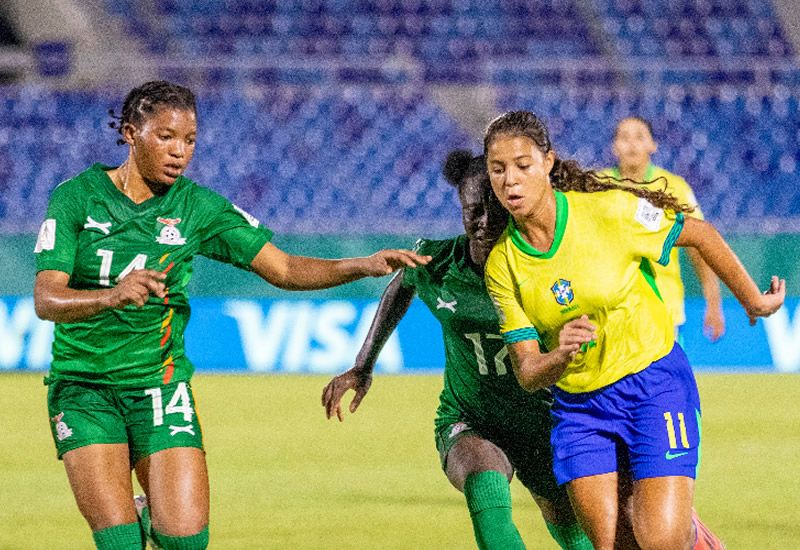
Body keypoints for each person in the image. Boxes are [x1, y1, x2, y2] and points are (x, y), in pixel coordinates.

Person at [33, 80, 430, 550]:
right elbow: (47, 299)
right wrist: (111, 296)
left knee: (185, 542)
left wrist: (360, 265)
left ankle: (149, 516)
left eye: (190, 140)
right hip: (84, 388)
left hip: (159, 386)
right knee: (118, 544)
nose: (180, 151)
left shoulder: (197, 208)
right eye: (165, 136)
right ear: (130, 133)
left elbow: (282, 267)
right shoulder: (76, 197)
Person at [482, 111, 784, 550]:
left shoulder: (610, 210)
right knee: (613, 545)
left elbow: (698, 234)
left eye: (523, 165)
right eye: (498, 169)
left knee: (661, 540)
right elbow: (528, 372)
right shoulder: (503, 264)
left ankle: (695, 537)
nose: (511, 180)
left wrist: (752, 300)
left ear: (547, 163)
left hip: (653, 383)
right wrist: (558, 356)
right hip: (581, 407)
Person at [322, 150, 593, 550]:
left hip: (543, 419)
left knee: (575, 533)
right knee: (486, 489)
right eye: (472, 211)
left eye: (493, 210)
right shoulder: (439, 262)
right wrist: (363, 365)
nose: (483, 222)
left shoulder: (545, 265)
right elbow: (402, 283)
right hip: (470, 418)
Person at [600, 116, 725, 342]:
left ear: (652, 145)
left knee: (667, 378)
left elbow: (698, 246)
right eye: (624, 137)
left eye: (639, 137)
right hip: (611, 311)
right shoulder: (597, 186)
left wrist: (713, 301)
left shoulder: (674, 187)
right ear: (614, 146)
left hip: (663, 310)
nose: (631, 144)